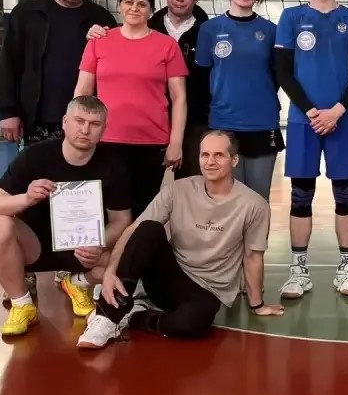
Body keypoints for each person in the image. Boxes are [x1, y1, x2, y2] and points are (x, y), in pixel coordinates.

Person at [78, 130, 285, 349]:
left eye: (219, 155)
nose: (210, 162)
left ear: (234, 160)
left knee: (193, 323)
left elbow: (252, 257)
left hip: (208, 289)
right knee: (149, 228)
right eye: (205, 155)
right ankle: (107, 316)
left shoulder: (254, 205)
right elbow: (134, 230)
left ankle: (134, 316)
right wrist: (110, 271)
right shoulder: (177, 190)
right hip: (169, 276)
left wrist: (257, 305)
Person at [0, 96, 134, 336]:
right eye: (79, 121)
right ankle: (22, 304)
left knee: (129, 258)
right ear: (64, 122)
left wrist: (99, 243)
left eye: (94, 124)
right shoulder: (35, 156)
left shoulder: (113, 163)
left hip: (83, 251)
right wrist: (26, 198)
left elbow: (121, 220)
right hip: (35, 248)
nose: (85, 130)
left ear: (104, 129)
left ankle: (78, 282)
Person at [274, 0, 348, 299]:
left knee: (345, 194)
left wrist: (337, 111)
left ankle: (346, 269)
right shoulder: (291, 18)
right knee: (301, 195)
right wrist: (313, 111)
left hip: (342, 120)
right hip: (304, 120)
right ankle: (298, 271)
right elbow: (283, 73)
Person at [75, 0, 188, 217]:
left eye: (142, 3)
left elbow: (179, 98)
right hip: (105, 141)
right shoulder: (98, 41)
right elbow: (82, 94)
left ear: (151, 10)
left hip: (151, 143)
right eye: (128, 2)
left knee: (143, 214)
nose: (134, 8)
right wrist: (77, 132)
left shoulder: (167, 46)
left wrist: (176, 142)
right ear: (119, 6)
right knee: (105, 212)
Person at [0, 0, 117, 145]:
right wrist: (8, 112)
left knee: (83, 166)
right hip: (37, 120)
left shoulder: (102, 18)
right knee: (37, 165)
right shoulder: (27, 13)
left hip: (86, 121)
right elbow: (8, 63)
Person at [195, 0, 282, 199]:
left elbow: (277, 76)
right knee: (226, 198)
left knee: (258, 198)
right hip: (223, 122)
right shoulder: (209, 29)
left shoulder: (270, 30)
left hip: (261, 123)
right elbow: (202, 77)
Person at [149, 0, 210, 177]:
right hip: (152, 121)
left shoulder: (210, 33)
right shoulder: (146, 29)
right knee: (149, 190)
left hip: (196, 123)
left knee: (194, 188)